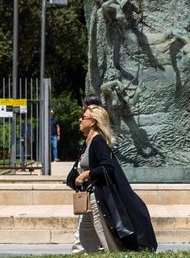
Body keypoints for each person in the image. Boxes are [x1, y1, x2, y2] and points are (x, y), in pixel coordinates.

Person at [67, 105, 157, 252]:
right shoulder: (87, 142)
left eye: (83, 118)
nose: (80, 120)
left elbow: (107, 167)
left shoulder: (98, 141)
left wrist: (86, 174)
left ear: (93, 121)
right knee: (81, 239)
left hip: (97, 198)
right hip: (87, 198)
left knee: (106, 240)